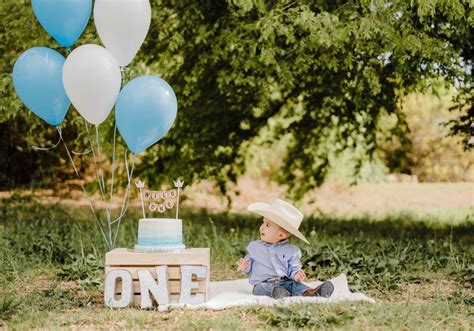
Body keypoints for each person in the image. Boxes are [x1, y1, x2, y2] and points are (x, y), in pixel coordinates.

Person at [237, 198, 334, 299]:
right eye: (263, 222)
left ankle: (310, 293)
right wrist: (244, 266)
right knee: (261, 288)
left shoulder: (291, 251)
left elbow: (293, 268)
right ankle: (281, 293)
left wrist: (296, 275)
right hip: (263, 283)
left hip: (285, 281)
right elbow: (248, 263)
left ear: (281, 235)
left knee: (295, 285)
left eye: (267, 225)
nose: (262, 227)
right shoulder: (255, 247)